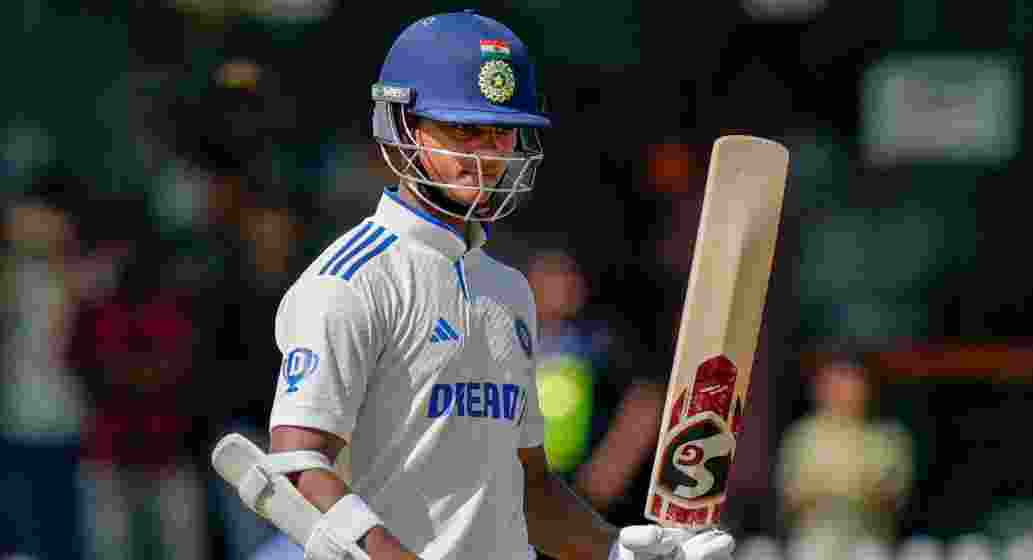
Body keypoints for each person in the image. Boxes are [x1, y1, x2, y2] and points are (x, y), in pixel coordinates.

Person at [219, 10, 735, 560]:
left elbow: (530, 492)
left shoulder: (509, 291)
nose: (485, 156)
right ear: (405, 127)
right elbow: (299, 466)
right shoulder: (350, 280)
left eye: (501, 132)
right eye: (464, 129)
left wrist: (615, 552)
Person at [776, 352, 913, 560]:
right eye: (834, 381)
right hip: (812, 544)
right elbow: (790, 497)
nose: (842, 390)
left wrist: (832, 487)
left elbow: (893, 496)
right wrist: (849, 486)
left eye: (852, 381)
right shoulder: (802, 436)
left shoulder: (888, 437)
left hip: (868, 544)